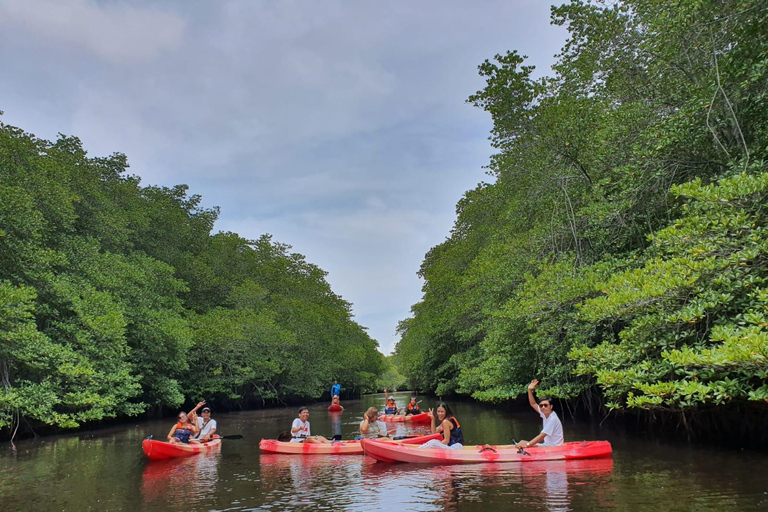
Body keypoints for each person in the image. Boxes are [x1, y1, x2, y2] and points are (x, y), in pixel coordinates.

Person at [515, 379, 564, 449]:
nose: (543, 407)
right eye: (541, 405)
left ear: (551, 406)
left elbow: (542, 436)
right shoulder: (545, 413)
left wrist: (528, 444)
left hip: (554, 448)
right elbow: (533, 403)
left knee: (526, 444)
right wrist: (529, 390)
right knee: (521, 443)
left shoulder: (553, 419)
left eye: (545, 405)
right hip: (547, 445)